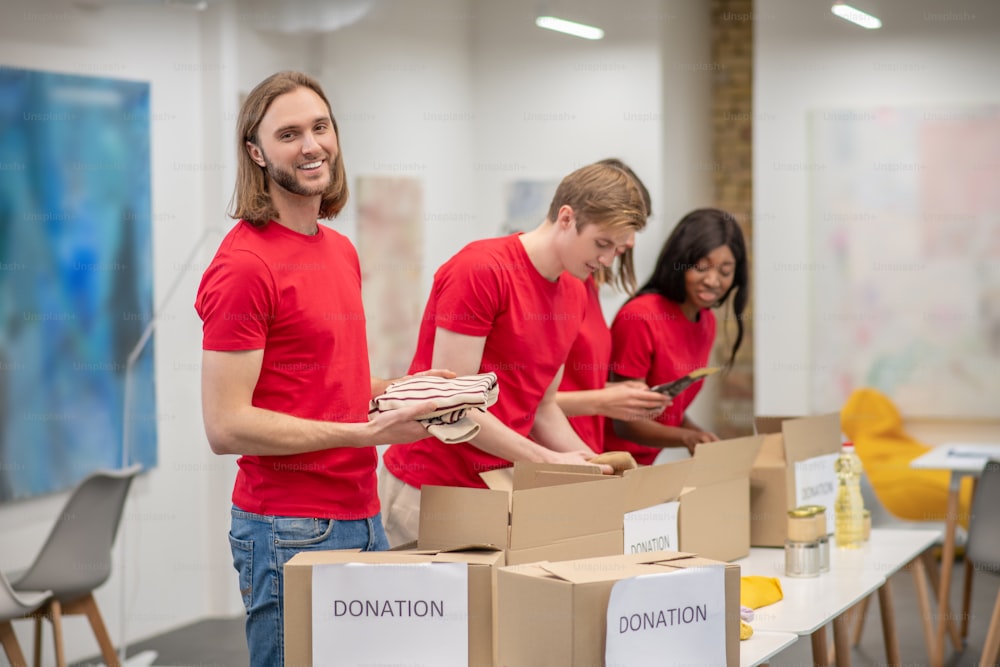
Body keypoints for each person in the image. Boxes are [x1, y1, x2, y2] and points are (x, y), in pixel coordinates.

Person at [194, 70, 445, 667]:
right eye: (288, 134)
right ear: (256, 153)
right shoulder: (244, 266)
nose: (311, 145)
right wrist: (367, 434)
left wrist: (404, 391)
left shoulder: (339, 250)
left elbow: (330, 389)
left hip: (364, 513)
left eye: (320, 126)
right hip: (288, 528)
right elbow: (225, 426)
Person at [378, 160, 650, 546]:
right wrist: (546, 460)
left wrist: (596, 465)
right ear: (567, 218)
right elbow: (452, 406)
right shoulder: (481, 270)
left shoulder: (573, 292)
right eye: (602, 244)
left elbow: (543, 407)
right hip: (427, 488)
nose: (607, 260)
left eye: (617, 250)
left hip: (498, 488)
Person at [604, 207, 749, 463]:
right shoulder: (640, 317)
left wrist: (698, 434)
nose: (713, 281)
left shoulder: (706, 322)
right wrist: (685, 438)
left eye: (725, 272)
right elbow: (624, 419)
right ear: (679, 262)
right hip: (609, 463)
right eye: (702, 268)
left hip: (645, 466)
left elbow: (666, 404)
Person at [555, 158, 669, 453]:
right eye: (616, 234)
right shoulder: (559, 285)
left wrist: (616, 394)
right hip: (552, 456)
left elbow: (563, 388)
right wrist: (604, 400)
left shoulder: (585, 285)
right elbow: (526, 402)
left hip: (582, 448)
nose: (629, 243)